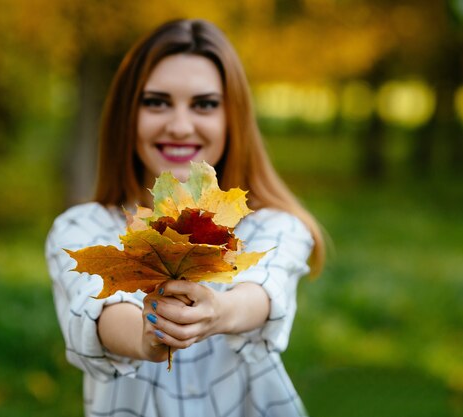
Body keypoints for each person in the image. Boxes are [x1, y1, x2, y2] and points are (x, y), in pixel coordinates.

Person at [45, 18, 325, 417]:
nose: (178, 126)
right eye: (156, 102)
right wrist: (148, 335)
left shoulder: (273, 225)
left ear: (234, 118)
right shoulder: (80, 228)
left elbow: (266, 288)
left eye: (204, 104)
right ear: (128, 114)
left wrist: (217, 312)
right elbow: (96, 311)